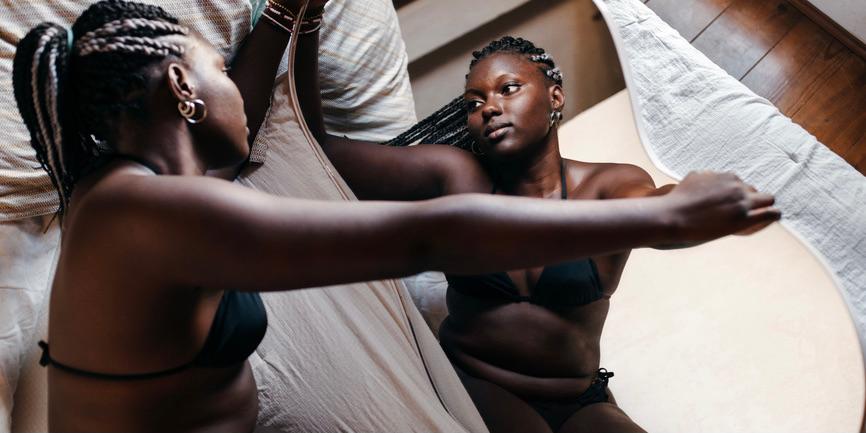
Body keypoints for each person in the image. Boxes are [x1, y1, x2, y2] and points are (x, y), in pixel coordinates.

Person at [14, 1, 777, 431]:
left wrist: (286, 13)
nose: (233, 83)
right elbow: (420, 235)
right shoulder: (148, 215)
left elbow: (257, 117)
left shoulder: (130, 191)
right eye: (216, 66)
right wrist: (661, 220)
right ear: (182, 89)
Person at [297, 33, 778, 432]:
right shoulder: (456, 176)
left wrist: (694, 208)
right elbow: (317, 149)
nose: (489, 107)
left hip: (580, 396)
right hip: (478, 379)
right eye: (475, 101)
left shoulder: (609, 184)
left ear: (554, 97)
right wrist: (306, 21)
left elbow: (661, 218)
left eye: (508, 89)